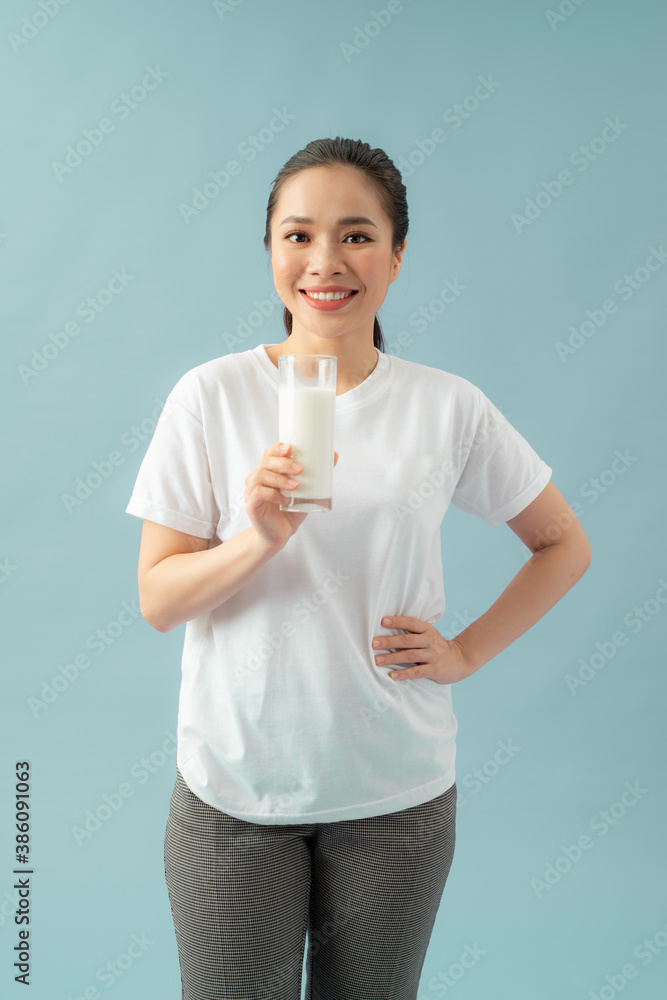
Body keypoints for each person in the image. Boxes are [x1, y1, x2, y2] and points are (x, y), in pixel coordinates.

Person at [125, 137, 591, 1000]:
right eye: (298, 236)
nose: (325, 262)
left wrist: (465, 653)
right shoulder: (210, 396)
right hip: (235, 792)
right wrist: (257, 537)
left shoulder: (446, 406)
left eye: (357, 235)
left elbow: (563, 542)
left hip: (395, 796)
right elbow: (158, 599)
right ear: (269, 251)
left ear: (397, 255)